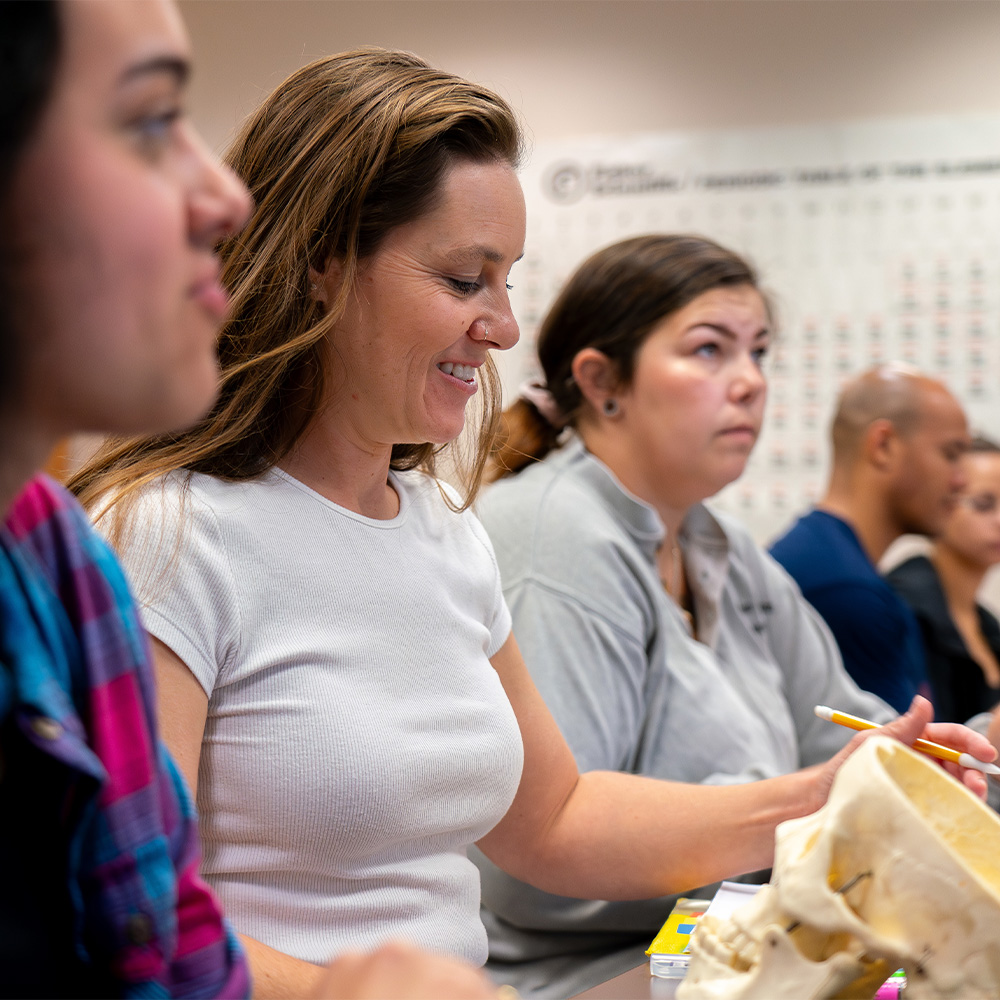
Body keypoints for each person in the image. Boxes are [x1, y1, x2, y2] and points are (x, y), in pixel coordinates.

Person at [68, 51, 994, 999]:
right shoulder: (167, 535)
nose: (505, 327)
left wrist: (823, 794)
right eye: (466, 280)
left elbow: (555, 819)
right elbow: (135, 920)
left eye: (506, 282)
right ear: (321, 264)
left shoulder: (439, 528)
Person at [1, 4, 499, 998]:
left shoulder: (57, 556)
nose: (227, 198)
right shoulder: (160, 530)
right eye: (148, 122)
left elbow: (162, 945)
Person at [473, 234, 915, 997]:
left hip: (729, 950)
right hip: (595, 977)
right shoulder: (557, 537)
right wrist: (795, 809)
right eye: (710, 351)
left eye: (759, 353)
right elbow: (537, 868)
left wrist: (960, 751)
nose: (749, 382)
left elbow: (849, 735)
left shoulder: (723, 546)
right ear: (602, 381)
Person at [769, 364, 970, 713]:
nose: (961, 481)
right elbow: (895, 759)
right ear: (883, 445)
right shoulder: (846, 592)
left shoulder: (829, 562)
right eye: (950, 454)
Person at [886, 437, 1000, 723]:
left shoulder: (986, 623)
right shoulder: (905, 605)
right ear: (945, 502)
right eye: (984, 504)